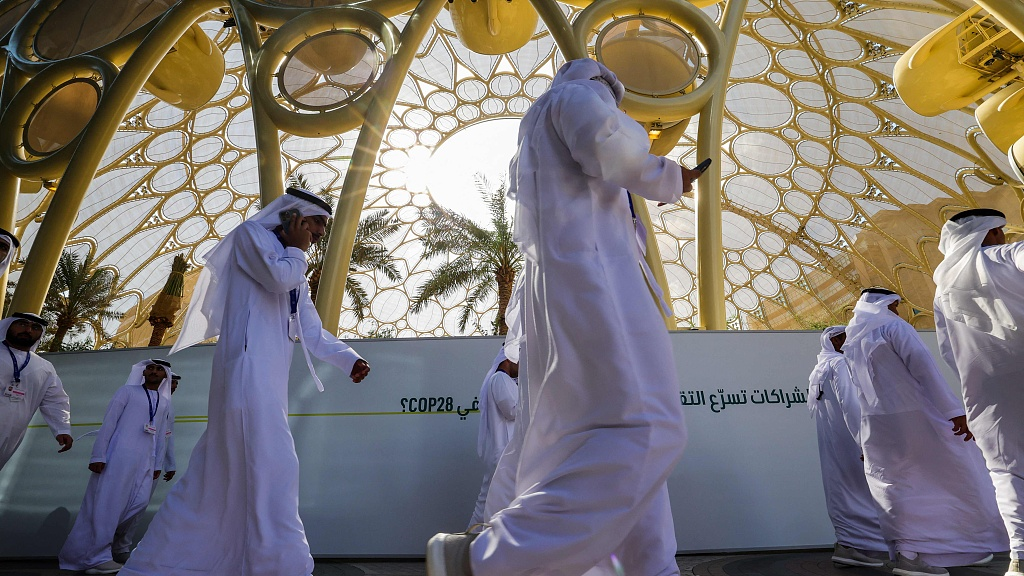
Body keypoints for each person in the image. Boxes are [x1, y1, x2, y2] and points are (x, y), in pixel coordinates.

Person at [428, 58, 701, 576]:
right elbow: (607, 146)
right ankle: (487, 558)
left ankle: (650, 567)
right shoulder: (579, 97)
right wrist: (669, 176)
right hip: (597, 281)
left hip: (573, 281)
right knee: (648, 427)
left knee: (589, 437)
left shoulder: (540, 124)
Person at [120, 186, 370, 576]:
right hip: (246, 369)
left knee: (220, 471)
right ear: (294, 217)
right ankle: (279, 564)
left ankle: (181, 559)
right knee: (274, 463)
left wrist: (348, 359)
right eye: (316, 224)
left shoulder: (294, 266)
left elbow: (309, 329)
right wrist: (297, 250)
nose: (320, 234)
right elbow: (275, 278)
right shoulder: (251, 237)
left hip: (267, 378)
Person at [843, 287, 1007, 576]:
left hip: (876, 426)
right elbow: (925, 369)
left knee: (896, 487)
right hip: (916, 418)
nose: (897, 310)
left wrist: (861, 440)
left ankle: (921, 552)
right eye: (896, 305)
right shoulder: (893, 326)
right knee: (960, 475)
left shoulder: (852, 338)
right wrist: (954, 412)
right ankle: (944, 548)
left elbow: (855, 396)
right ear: (889, 304)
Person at [933, 208, 1024, 576]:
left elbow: (947, 350)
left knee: (1007, 472)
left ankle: (1020, 556)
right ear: (989, 233)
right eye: (1000, 231)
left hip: (986, 389)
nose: (1004, 237)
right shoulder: (1007, 255)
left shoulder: (942, 286)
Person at [59, 359, 173, 575]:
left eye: (159, 369)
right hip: (117, 458)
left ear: (165, 375)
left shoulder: (164, 402)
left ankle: (98, 552)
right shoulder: (126, 392)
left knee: (138, 504)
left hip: (145, 462)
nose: (154, 372)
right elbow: (109, 423)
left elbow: (159, 436)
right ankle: (96, 558)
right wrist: (98, 455)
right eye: (150, 368)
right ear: (143, 372)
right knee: (107, 506)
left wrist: (157, 463)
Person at [807, 326, 887, 567]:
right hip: (851, 441)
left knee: (843, 490)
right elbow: (850, 404)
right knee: (859, 489)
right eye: (844, 337)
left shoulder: (821, 367)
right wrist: (864, 441)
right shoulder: (839, 364)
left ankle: (850, 544)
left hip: (836, 443)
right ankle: (854, 546)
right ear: (834, 341)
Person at [112, 373, 181, 565]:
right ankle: (103, 546)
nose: (174, 387)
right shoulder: (135, 397)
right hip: (128, 461)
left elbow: (167, 438)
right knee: (117, 504)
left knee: (139, 507)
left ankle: (121, 547)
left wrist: (169, 464)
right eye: (172, 383)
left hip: (153, 466)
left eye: (176, 384)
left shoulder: (168, 406)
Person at [0, 312, 72, 471]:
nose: (28, 330)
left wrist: (62, 429)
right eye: (22, 324)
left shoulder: (44, 367)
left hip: (10, 435)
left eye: (35, 327)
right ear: (8, 325)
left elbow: (56, 400)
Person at [468, 348, 518, 527]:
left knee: (494, 505)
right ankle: (470, 541)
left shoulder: (507, 381)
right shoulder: (499, 379)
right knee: (486, 506)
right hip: (501, 453)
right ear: (509, 359)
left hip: (505, 454)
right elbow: (512, 410)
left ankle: (474, 540)